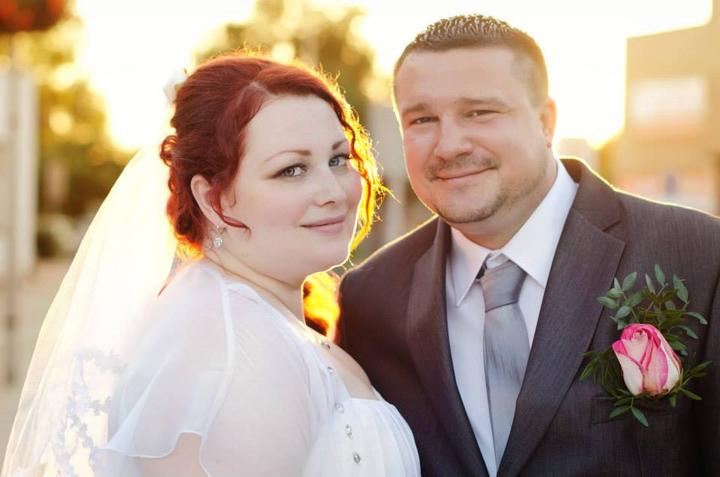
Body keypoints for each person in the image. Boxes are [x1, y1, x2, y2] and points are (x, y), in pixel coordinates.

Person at [337, 14, 719, 477]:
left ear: (545, 121)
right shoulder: (370, 298)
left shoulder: (700, 257)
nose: (449, 145)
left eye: (479, 112)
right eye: (422, 119)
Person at [3, 53, 420, 476]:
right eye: (292, 170)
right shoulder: (229, 352)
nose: (333, 191)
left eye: (337, 159)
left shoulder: (249, 317)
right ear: (212, 199)